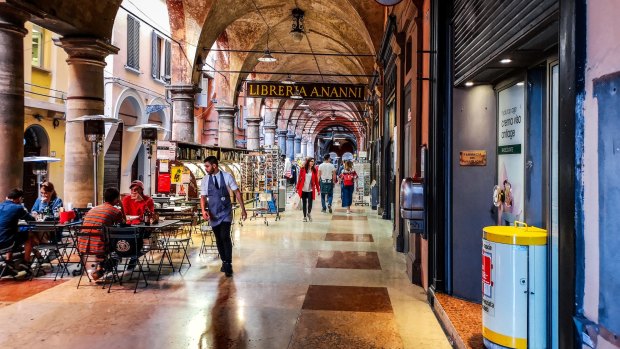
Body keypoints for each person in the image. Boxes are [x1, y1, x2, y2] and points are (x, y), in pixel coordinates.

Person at [200, 156, 247, 277]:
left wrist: (243, 209)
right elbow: (203, 197)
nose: (205, 168)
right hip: (213, 213)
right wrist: (203, 210)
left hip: (226, 211)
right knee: (218, 238)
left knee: (225, 236)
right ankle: (224, 261)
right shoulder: (205, 179)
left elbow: (237, 192)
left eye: (207, 166)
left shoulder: (227, 176)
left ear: (214, 166)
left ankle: (228, 263)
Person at [77, 188, 126, 281]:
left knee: (104, 237)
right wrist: (122, 206)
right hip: (99, 246)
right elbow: (124, 223)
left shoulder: (93, 209)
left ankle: (101, 266)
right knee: (121, 245)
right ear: (116, 200)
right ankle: (103, 268)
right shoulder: (115, 211)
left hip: (83, 245)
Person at [0, 189, 36, 266]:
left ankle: (9, 261)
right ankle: (27, 263)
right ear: (19, 198)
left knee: (10, 232)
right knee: (29, 236)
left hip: (2, 239)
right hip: (7, 242)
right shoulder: (17, 208)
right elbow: (31, 219)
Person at [296, 157, 320, 222]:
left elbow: (316, 181)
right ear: (308, 162)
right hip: (303, 189)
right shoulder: (302, 169)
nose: (312, 162)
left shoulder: (314, 170)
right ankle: (304, 217)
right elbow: (299, 179)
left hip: (310, 189)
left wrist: (318, 189)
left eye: (313, 161)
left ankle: (309, 213)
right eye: (311, 161)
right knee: (304, 203)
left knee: (310, 203)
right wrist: (297, 187)